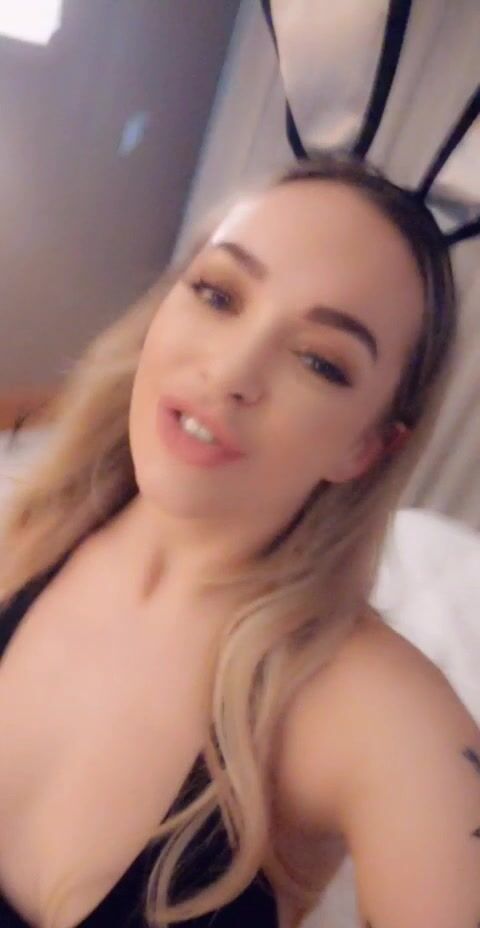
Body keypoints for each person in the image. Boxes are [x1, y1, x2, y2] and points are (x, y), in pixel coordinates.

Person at [0, 152, 478, 928]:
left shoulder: (369, 711)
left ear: (366, 447)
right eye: (218, 294)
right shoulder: (24, 540)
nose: (230, 372)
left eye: (320, 361)